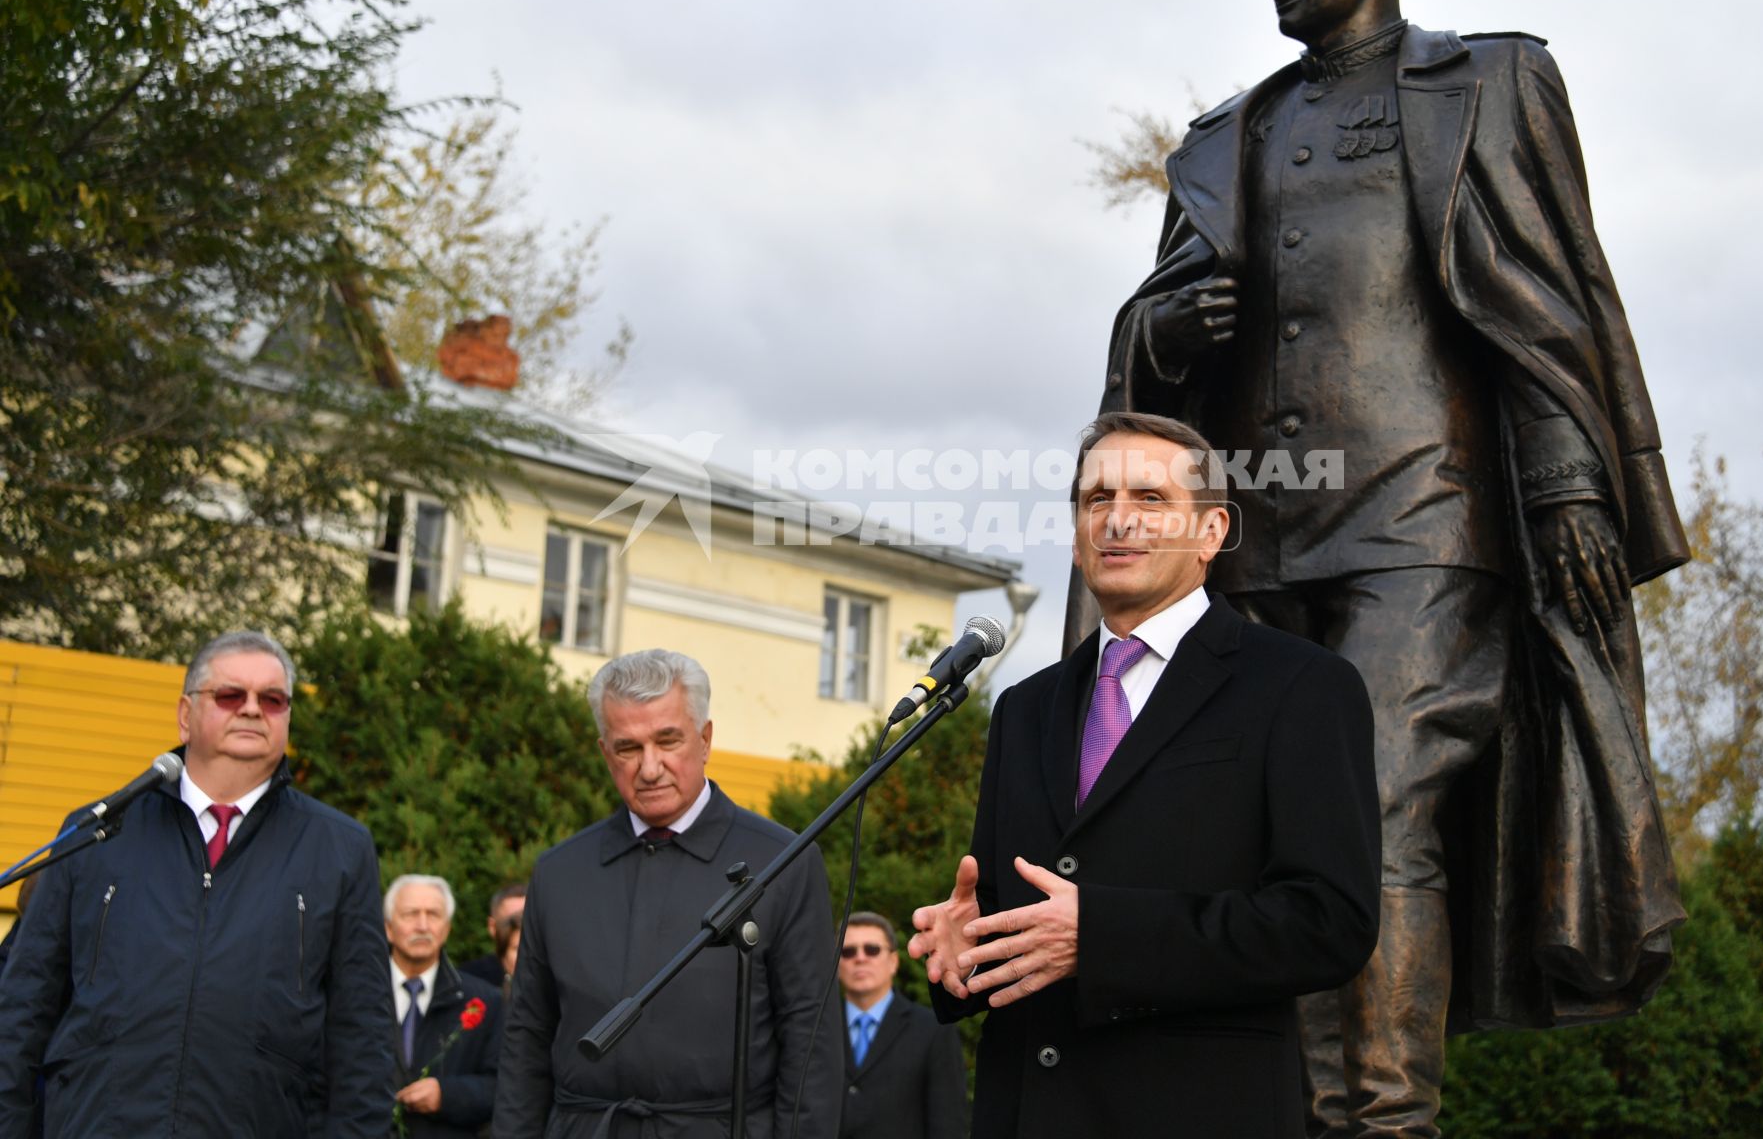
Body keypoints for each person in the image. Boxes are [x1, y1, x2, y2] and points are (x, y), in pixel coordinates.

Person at [1082, 0, 1690, 1135]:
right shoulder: (1226, 132)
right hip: (1255, 524)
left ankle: (1385, 1117)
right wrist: (1165, 325)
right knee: (1278, 821)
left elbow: (1550, 298)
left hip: (1427, 513)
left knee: (1373, 789)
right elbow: (1148, 347)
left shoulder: (1486, 81)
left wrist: (1572, 479)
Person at [911, 413, 1381, 1139]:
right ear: (1075, 536)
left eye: (1150, 500)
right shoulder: (1023, 707)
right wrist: (966, 955)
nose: (1117, 520)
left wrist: (1101, 937)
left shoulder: (1301, 687)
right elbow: (1022, 922)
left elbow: (1330, 924)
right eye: (1097, 500)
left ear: (1212, 532)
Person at [0, 629, 393, 1138]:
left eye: (272, 700)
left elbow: (362, 1042)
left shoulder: (340, 849)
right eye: (231, 695)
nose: (252, 709)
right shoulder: (98, 831)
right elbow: (21, 1014)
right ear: (186, 715)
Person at [494, 649, 841, 1138]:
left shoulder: (784, 861)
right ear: (603, 752)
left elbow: (811, 1045)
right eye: (628, 748)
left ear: (705, 739)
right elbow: (527, 1038)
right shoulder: (559, 872)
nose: (650, 767)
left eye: (667, 740)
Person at [386, 873, 503, 1138]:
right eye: (411, 914)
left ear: (447, 928)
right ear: (388, 927)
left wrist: (446, 1095)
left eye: (434, 914)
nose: (423, 925)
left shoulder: (485, 1000)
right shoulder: (356, 995)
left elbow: (504, 1087)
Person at [835, 912, 964, 1139]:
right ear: (835, 965)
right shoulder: (813, 1028)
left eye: (872, 949)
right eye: (848, 952)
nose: (860, 958)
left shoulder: (933, 1030)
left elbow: (947, 1123)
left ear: (893, 961)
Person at [459, 882, 526, 988]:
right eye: (511, 923)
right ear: (492, 927)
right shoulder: (469, 978)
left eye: (527, 920)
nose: (519, 928)